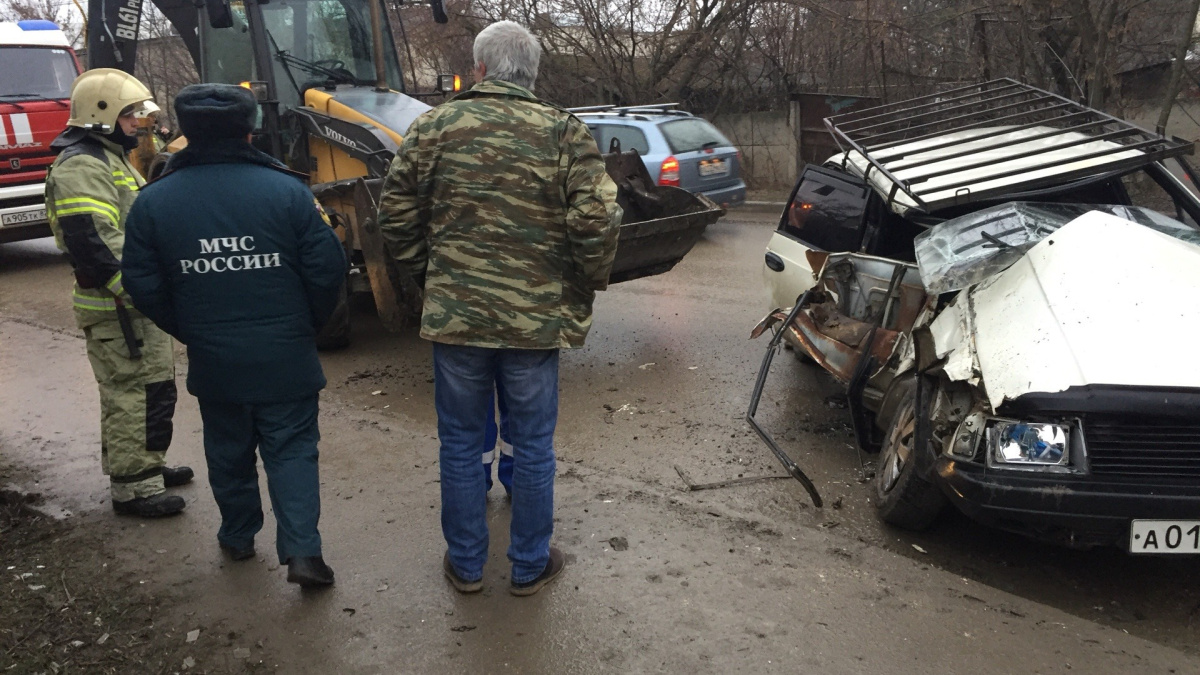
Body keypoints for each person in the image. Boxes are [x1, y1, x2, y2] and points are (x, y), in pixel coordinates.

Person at [378, 20, 622, 596]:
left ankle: (465, 566)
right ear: (531, 73)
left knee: (461, 443)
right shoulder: (564, 132)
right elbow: (596, 220)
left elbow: (394, 214)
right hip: (534, 322)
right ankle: (529, 566)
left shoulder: (431, 128)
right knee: (534, 445)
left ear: (480, 68)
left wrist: (428, 273)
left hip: (457, 319)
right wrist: (583, 283)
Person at [121, 83, 347, 588]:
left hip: (214, 356)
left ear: (186, 134)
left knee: (227, 449)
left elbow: (142, 283)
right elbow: (327, 269)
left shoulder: (154, 203)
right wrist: (302, 326)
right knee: (291, 449)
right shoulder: (289, 191)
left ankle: (238, 536)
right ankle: (304, 554)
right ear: (249, 132)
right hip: (285, 355)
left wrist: (190, 328)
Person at [44, 69, 192, 518]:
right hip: (119, 306)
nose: (139, 125)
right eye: (130, 116)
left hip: (127, 303)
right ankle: (134, 487)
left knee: (150, 388)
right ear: (100, 115)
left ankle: (143, 465)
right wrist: (142, 294)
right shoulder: (84, 166)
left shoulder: (105, 156)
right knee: (134, 393)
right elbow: (93, 241)